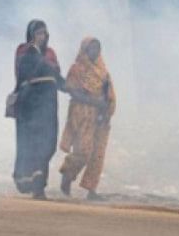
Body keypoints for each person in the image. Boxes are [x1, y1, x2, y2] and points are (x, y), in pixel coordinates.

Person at [59, 37, 116, 201]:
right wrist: (93, 101)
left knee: (97, 153)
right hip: (81, 114)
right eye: (92, 48)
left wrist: (105, 109)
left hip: (99, 116)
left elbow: (108, 94)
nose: (95, 51)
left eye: (98, 48)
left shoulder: (103, 72)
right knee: (83, 150)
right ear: (84, 49)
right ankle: (67, 175)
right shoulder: (77, 69)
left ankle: (91, 190)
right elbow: (73, 91)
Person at [13, 19, 65, 200]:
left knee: (48, 143)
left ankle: (37, 183)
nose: (41, 37)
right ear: (31, 35)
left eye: (44, 33)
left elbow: (56, 77)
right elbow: (24, 74)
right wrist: (35, 52)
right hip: (30, 103)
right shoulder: (24, 51)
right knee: (32, 143)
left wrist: (73, 89)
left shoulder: (50, 53)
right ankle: (37, 186)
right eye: (38, 33)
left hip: (49, 103)